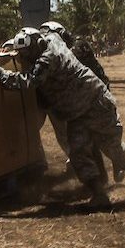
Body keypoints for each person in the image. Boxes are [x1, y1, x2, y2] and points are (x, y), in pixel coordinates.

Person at [0, 28, 125, 207]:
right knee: (78, 153)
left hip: (94, 103)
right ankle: (99, 194)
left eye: (28, 53)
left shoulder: (47, 60)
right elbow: (41, 36)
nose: (26, 57)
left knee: (110, 147)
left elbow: (28, 81)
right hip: (75, 111)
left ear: (37, 44)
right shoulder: (52, 39)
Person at [37, 21, 117, 182]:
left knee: (101, 136)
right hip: (83, 100)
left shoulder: (76, 49)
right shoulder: (63, 51)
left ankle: (118, 166)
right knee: (90, 139)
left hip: (95, 97)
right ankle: (103, 176)